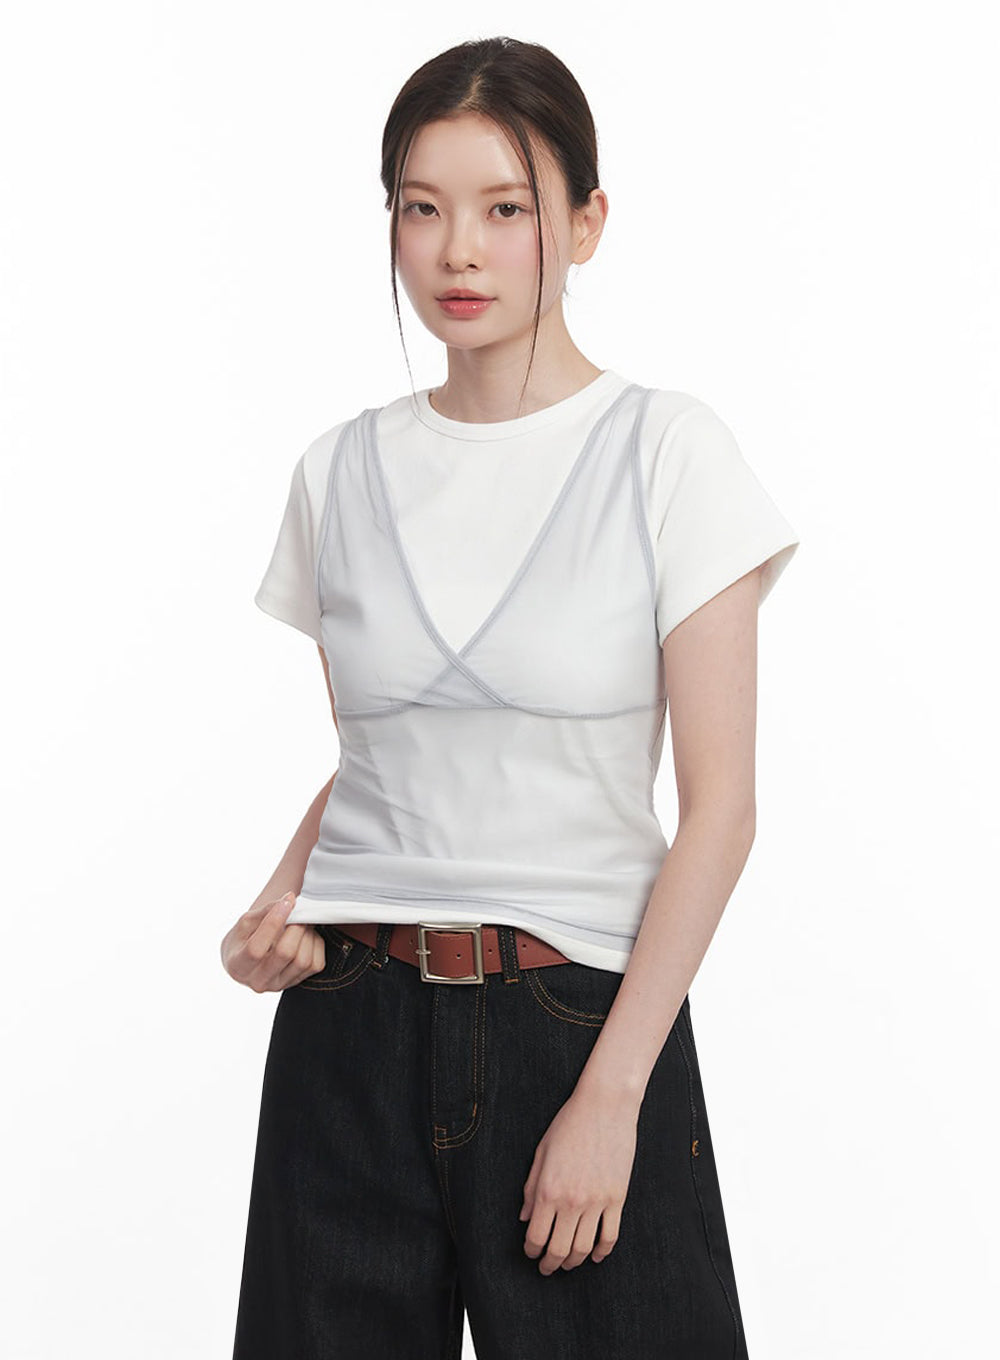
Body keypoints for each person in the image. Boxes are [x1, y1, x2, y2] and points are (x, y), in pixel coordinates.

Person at [223, 35, 800, 1360]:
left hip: (574, 1016)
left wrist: (613, 1096)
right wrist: (281, 902)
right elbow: (387, 756)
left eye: (504, 208)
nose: (458, 252)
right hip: (348, 1024)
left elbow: (722, 810)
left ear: (584, 224)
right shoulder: (338, 473)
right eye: (422, 209)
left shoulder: (667, 452)